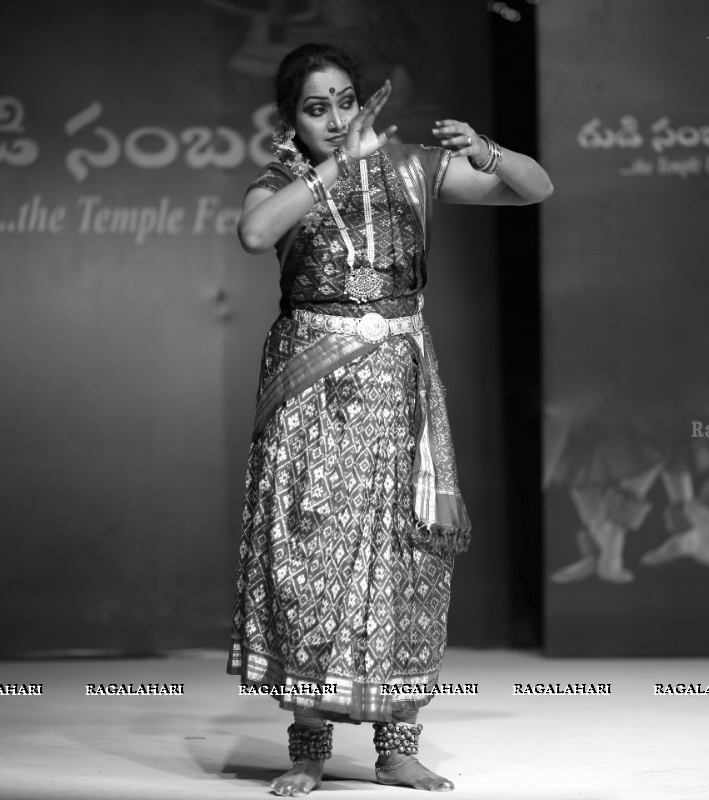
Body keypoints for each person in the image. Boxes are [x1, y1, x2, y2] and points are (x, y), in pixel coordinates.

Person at [227, 43, 552, 796]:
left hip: (399, 392)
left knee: (407, 562)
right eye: (317, 108)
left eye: (345, 101)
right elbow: (251, 233)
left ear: (362, 101)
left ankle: (397, 746)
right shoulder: (287, 181)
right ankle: (308, 747)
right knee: (306, 559)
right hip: (312, 395)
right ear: (290, 120)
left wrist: (490, 150)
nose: (336, 119)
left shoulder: (411, 167)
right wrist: (340, 165)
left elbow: (535, 188)